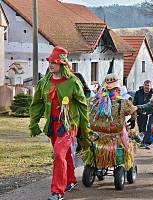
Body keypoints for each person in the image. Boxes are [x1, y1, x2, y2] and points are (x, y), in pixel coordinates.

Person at [29, 46, 90, 200]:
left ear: (62, 64)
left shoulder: (73, 82)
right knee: (63, 154)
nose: (51, 65)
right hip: (52, 125)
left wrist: (85, 128)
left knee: (58, 154)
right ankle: (70, 179)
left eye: (54, 62)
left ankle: (57, 191)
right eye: (50, 62)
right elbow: (37, 104)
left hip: (69, 125)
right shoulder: (44, 83)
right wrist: (34, 122)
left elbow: (83, 106)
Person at [133, 80, 153, 149]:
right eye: (145, 85)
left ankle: (146, 142)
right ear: (143, 85)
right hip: (140, 113)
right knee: (142, 128)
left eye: (148, 86)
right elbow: (135, 102)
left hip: (150, 114)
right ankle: (142, 141)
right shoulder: (138, 93)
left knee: (149, 127)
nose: (147, 87)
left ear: (151, 86)